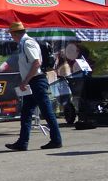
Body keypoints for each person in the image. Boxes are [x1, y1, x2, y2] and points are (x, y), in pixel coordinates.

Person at [4, 22, 63, 151]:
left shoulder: (28, 43)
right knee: (26, 113)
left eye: (11, 34)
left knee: (46, 112)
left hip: (36, 81)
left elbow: (36, 63)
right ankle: (22, 143)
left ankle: (56, 140)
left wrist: (25, 81)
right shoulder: (23, 44)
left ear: (15, 33)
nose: (11, 37)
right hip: (33, 81)